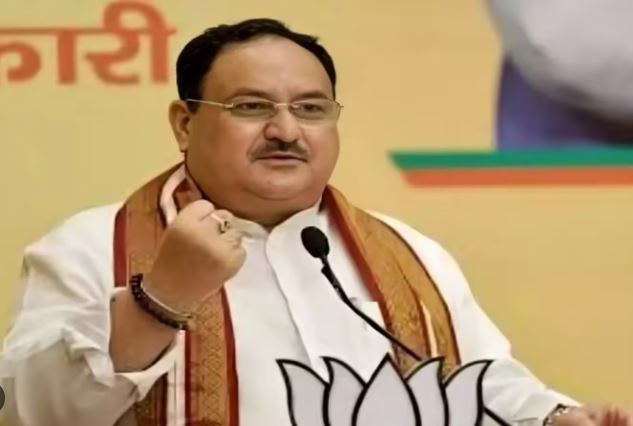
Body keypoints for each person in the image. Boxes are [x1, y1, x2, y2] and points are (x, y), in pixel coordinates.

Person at [0, 18, 629, 426]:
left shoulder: (409, 254)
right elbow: (30, 412)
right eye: (251, 107)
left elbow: (475, 382)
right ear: (185, 124)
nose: (286, 130)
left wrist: (552, 417)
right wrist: (159, 301)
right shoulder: (91, 246)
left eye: (311, 108)